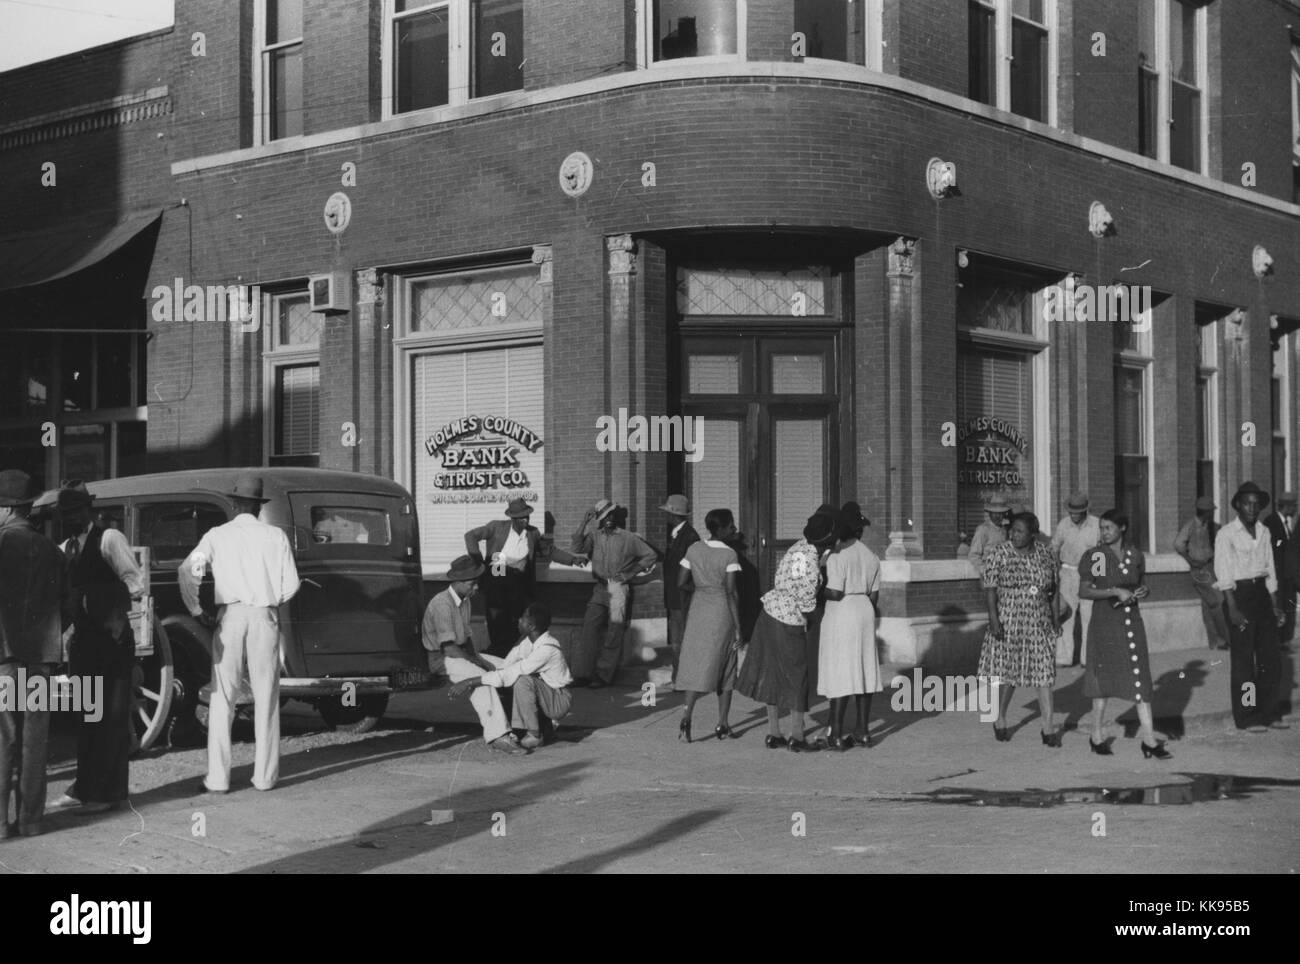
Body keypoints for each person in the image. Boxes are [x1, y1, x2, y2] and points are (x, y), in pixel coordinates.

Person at [179, 474, 301, 793]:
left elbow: (188, 569)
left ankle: (218, 779)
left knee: (223, 697)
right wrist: (269, 599)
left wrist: (195, 608)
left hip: (230, 616)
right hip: (264, 617)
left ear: (234, 503)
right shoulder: (276, 537)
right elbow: (292, 585)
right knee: (266, 696)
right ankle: (264, 777)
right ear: (259, 506)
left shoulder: (218, 535)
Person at [49, 481, 144, 814]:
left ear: (88, 510)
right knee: (89, 716)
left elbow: (135, 582)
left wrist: (97, 598)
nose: (69, 519)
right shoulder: (65, 548)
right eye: (64, 514)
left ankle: (110, 793)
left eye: (74, 512)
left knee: (112, 718)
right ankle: (84, 786)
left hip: (112, 640)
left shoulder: (109, 539)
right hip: (85, 642)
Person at [735, 512, 836, 751]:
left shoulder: (796, 548)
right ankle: (798, 735)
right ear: (825, 540)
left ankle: (773, 732)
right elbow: (806, 597)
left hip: (768, 612)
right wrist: (812, 619)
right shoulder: (812, 558)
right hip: (789, 619)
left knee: (771, 671)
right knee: (796, 675)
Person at [0, 470, 66, 838]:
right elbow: (67, 604)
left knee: (2, 739)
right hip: (40, 660)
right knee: (35, 741)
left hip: (4, 660)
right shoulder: (51, 551)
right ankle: (31, 821)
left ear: (8, 509)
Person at [1077, 510, 1170, 759]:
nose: (1104, 532)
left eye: (1109, 528)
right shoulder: (1096, 555)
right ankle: (1096, 735)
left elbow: (1141, 583)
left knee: (1140, 677)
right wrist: (1114, 591)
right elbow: (1085, 591)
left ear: (1123, 528)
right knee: (1102, 681)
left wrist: (1142, 591)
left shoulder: (1135, 555)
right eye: (1102, 528)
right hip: (1105, 624)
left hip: (1131, 623)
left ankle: (1148, 740)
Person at [422, 555, 527, 755]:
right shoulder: (442, 604)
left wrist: (479, 659)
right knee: (481, 680)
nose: (476, 588)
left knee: (507, 666)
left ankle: (520, 725)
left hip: (459, 654)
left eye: (476, 583)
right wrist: (477, 664)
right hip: (441, 660)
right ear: (458, 582)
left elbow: (467, 639)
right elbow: (449, 649)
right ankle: (498, 736)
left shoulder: (465, 599)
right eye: (472, 584)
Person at [979, 512, 1063, 745]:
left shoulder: (1046, 555)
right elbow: (990, 589)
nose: (1013, 535)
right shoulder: (1000, 553)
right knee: (1010, 672)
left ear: (1033, 535)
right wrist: (994, 620)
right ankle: (1001, 717)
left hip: (1039, 620)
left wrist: (1055, 619)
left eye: (1019, 531)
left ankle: (1048, 728)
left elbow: (1054, 589)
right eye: (1012, 530)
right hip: (1009, 619)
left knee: (1044, 673)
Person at [464, 499, 584, 658]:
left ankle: (506, 654)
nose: (525, 520)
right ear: (513, 518)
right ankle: (497, 653)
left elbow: (549, 550)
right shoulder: (497, 527)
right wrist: (478, 561)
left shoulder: (532, 533)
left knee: (517, 622)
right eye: (521, 518)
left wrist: (572, 559)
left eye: (527, 516)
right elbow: (470, 536)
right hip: (498, 572)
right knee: (496, 619)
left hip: (518, 581)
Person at [447, 602, 572, 750]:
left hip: (558, 700)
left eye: (523, 617)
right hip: (545, 693)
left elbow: (512, 672)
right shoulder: (527, 642)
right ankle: (525, 730)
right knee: (503, 680)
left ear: (532, 626)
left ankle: (534, 735)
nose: (519, 620)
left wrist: (470, 682)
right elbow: (505, 666)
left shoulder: (547, 649)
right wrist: (482, 668)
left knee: (521, 681)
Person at [1215, 481, 1286, 731]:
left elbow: (1271, 570)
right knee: (1244, 661)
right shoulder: (1226, 534)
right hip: (1239, 596)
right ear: (1237, 505)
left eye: (1256, 504)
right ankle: (1247, 717)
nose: (1252, 508)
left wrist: (1275, 605)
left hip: (1262, 597)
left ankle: (1268, 713)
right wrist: (1232, 609)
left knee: (1270, 658)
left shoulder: (1265, 531)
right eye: (1247, 503)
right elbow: (1224, 573)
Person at [816, 503, 882, 751]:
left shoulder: (836, 556)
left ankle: (835, 733)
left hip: (841, 611)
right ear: (859, 530)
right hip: (864, 609)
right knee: (864, 669)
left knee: (841, 670)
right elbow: (874, 596)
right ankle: (863, 731)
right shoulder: (871, 556)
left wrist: (818, 589)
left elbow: (834, 592)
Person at [571, 501, 658, 688]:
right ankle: (584, 674)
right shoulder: (595, 536)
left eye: (610, 515)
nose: (608, 519)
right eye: (604, 517)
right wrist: (584, 523)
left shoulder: (627, 538)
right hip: (600, 588)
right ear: (599, 520)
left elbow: (650, 555)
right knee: (589, 630)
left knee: (613, 632)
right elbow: (577, 548)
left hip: (618, 588)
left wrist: (629, 573)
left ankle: (603, 675)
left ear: (615, 516)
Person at [675, 509, 743, 743]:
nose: (733, 529)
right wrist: (739, 628)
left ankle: (687, 715)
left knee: (696, 663)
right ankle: (723, 723)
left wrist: (700, 590)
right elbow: (731, 592)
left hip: (698, 609)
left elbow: (681, 582)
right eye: (730, 525)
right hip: (721, 611)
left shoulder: (694, 549)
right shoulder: (730, 554)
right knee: (726, 666)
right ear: (721, 528)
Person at [1049, 492, 1100, 666]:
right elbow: (1054, 548)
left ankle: (1088, 658)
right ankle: (1064, 657)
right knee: (1065, 615)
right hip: (1067, 573)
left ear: (1086, 510)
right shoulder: (1064, 524)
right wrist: (1055, 573)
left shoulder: (1096, 525)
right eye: (1071, 511)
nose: (1074, 515)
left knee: (1089, 615)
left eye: (1078, 512)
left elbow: (1101, 552)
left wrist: (1097, 577)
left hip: (1089, 574)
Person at [1173, 496, 1229, 650]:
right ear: (1204, 512)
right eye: (1210, 512)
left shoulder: (1210, 526)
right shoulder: (1190, 526)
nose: (1212, 514)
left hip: (1210, 566)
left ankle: (1216, 641)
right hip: (1200, 570)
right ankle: (1225, 639)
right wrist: (1190, 560)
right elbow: (1178, 544)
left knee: (1209, 604)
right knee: (1218, 599)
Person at [659, 494, 700, 686]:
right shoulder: (676, 534)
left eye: (667, 513)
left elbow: (693, 567)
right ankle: (678, 676)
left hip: (683, 595)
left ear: (674, 515)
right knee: (677, 637)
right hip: (675, 595)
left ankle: (682, 677)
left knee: (681, 637)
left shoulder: (690, 536)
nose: (665, 516)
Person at [1263, 491, 1298, 645]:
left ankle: (1284, 640)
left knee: (1288, 606)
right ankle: (1277, 641)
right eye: (1294, 506)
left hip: (1288, 574)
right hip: (1277, 574)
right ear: (1287, 506)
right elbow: (1274, 546)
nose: (1296, 509)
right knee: (1278, 607)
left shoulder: (1287, 523)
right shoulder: (1272, 521)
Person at [968, 498, 1009, 578]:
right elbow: (974, 555)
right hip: (989, 574)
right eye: (995, 513)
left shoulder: (1004, 530)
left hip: (1004, 574)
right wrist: (984, 570)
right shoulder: (983, 530)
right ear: (989, 513)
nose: (998, 516)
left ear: (1004, 514)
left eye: (1001, 513)